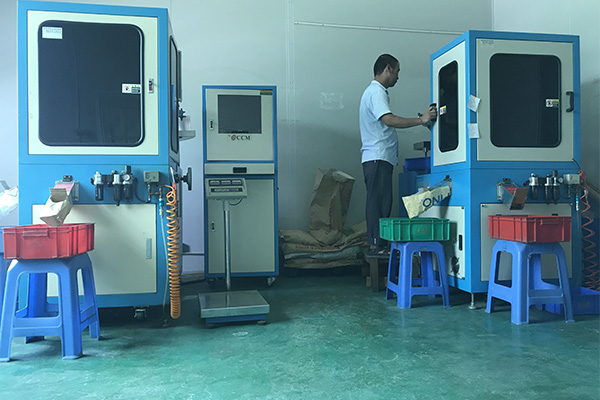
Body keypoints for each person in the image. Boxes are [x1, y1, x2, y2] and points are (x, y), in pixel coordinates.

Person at [359, 53, 437, 256]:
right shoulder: (376, 92)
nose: (398, 77)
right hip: (378, 156)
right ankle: (377, 246)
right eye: (397, 71)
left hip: (378, 157)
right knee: (378, 201)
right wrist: (421, 120)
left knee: (381, 200)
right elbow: (389, 120)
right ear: (388, 68)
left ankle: (378, 244)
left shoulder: (374, 92)